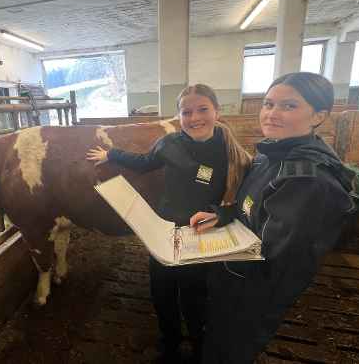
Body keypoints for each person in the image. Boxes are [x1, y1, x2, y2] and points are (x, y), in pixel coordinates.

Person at [190, 72, 355, 364]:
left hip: (252, 294)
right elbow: (250, 208)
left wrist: (205, 257)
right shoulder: (269, 156)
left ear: (318, 116)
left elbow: (278, 262)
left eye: (289, 106)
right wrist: (223, 215)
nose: (271, 114)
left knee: (229, 351)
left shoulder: (307, 181)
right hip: (233, 279)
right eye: (268, 104)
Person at [86, 84, 251, 364]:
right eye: (187, 112)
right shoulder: (169, 143)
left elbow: (247, 202)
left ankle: (200, 348)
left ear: (217, 112)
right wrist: (112, 155)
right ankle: (170, 345)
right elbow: (144, 162)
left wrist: (220, 215)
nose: (195, 117)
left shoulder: (231, 152)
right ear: (178, 116)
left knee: (194, 297)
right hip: (163, 230)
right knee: (161, 295)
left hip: (200, 234)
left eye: (203, 110)